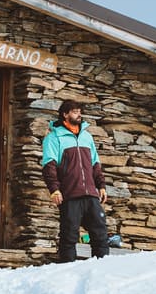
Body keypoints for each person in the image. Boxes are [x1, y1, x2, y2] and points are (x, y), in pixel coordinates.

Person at [40, 99, 109, 262]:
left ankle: (103, 269)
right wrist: (54, 189)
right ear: (65, 114)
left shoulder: (87, 137)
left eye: (80, 111)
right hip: (70, 194)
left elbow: (95, 163)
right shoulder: (53, 138)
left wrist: (101, 185)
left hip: (91, 194)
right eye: (75, 112)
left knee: (100, 234)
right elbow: (49, 165)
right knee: (69, 235)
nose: (79, 115)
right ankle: (67, 270)